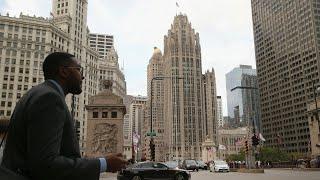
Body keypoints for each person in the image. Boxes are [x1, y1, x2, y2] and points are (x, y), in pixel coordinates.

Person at [1, 52, 127, 180]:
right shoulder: (49, 98)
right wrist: (104, 163)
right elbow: (45, 164)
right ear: (64, 71)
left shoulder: (38, 93)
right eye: (79, 70)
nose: (82, 77)